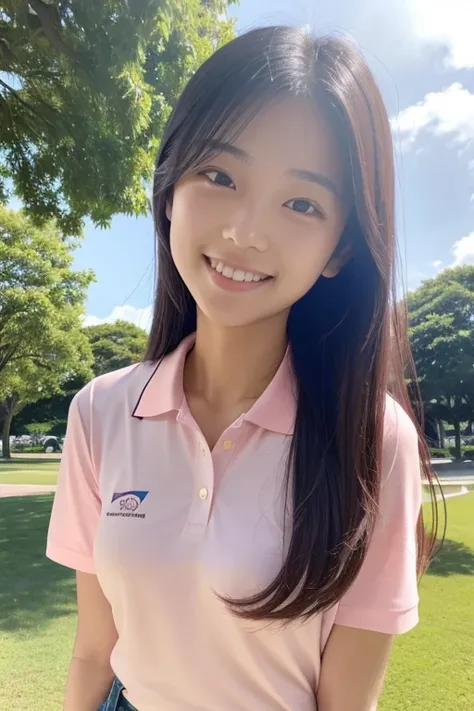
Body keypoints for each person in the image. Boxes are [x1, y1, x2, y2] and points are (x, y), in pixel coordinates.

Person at [46, 25, 440, 711]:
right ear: (171, 188)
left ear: (340, 248)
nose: (245, 232)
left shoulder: (376, 443)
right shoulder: (100, 412)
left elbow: (347, 702)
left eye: (301, 203)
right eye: (220, 175)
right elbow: (92, 648)